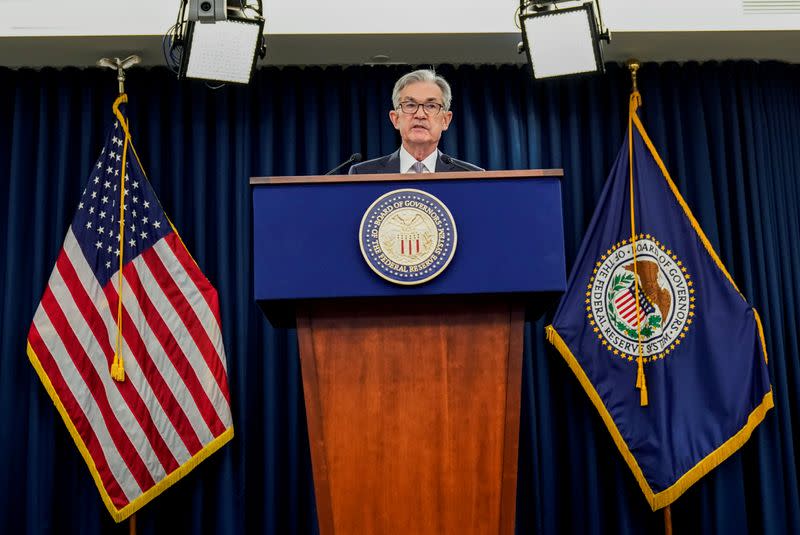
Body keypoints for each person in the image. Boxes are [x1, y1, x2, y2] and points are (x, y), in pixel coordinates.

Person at [349, 69, 483, 174]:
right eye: (410, 105)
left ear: (445, 120)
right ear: (395, 119)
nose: (420, 115)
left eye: (431, 106)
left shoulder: (471, 176)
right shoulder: (363, 174)